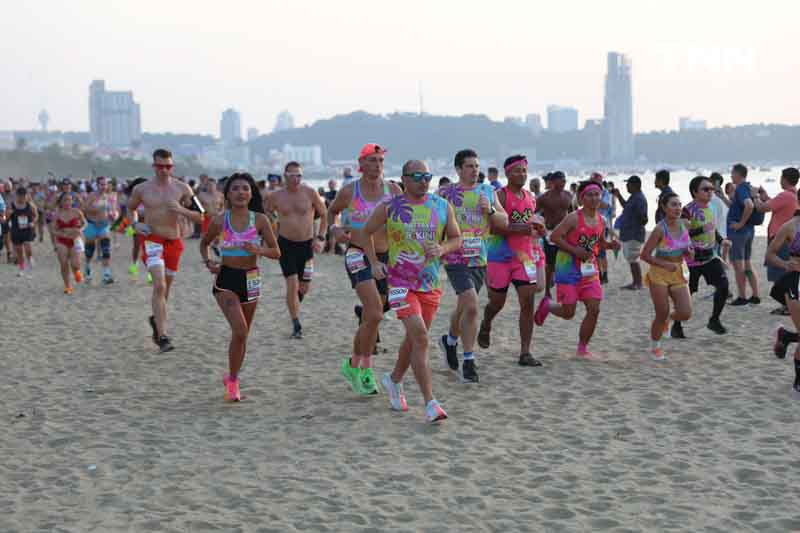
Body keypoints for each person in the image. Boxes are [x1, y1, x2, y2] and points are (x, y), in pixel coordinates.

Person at [361, 160, 461, 423]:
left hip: (430, 284)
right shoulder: (390, 208)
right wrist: (373, 263)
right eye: (417, 176)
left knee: (416, 340)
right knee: (421, 338)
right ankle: (431, 403)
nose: (423, 180)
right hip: (399, 284)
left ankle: (394, 380)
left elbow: (456, 238)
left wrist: (442, 250)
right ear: (404, 179)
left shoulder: (441, 206)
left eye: (427, 176)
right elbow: (365, 233)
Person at [327, 143, 402, 395]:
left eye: (380, 160)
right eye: (372, 160)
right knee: (375, 314)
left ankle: (352, 364)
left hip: (386, 256)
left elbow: (405, 219)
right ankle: (366, 371)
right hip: (358, 254)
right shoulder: (350, 191)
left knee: (372, 317)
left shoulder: (393, 190)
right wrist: (334, 229)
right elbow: (332, 212)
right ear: (361, 163)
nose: (377, 165)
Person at [200, 173, 280, 402]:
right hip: (226, 279)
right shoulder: (220, 220)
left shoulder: (260, 220)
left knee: (242, 336)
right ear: (227, 194)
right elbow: (204, 243)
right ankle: (233, 384)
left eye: (245, 188)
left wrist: (259, 251)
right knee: (240, 331)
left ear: (251, 193)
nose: (240, 192)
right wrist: (208, 262)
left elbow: (276, 252)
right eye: (235, 188)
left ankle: (232, 376)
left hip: (251, 278)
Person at [438, 149, 508, 382]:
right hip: (455, 257)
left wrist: (490, 210)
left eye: (477, 166)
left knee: (465, 307)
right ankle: (469, 361)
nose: (474, 170)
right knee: (472, 306)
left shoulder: (488, 191)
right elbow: (433, 220)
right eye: (469, 166)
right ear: (458, 169)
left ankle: (449, 341)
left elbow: (504, 221)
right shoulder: (446, 193)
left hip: (479, 258)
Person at [128, 149, 204, 352]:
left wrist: (181, 210)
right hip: (153, 240)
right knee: (159, 286)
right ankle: (163, 337)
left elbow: (201, 216)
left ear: (172, 167)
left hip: (174, 241)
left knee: (165, 290)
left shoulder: (183, 188)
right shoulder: (142, 189)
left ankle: (156, 321)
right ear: (153, 166)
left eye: (168, 166)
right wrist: (135, 225)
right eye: (160, 166)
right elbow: (130, 208)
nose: (164, 170)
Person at [534, 180, 620, 358]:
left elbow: (599, 243)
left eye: (597, 194)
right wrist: (575, 251)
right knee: (568, 312)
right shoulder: (573, 218)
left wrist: (611, 245)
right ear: (582, 198)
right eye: (590, 194)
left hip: (589, 269)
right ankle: (548, 306)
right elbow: (555, 237)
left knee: (594, 308)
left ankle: (582, 347)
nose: (594, 198)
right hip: (568, 268)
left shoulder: (602, 220)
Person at [479, 155, 546, 366]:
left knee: (528, 302)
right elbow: (494, 226)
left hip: (524, 256)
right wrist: (520, 228)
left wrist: (538, 229)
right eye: (517, 171)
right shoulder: (500, 195)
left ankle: (525, 352)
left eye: (524, 170)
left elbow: (529, 224)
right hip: (500, 256)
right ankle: (486, 322)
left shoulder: (530, 197)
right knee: (496, 303)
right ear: (507, 173)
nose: (522, 174)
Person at [264, 161, 327, 339]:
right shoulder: (276, 196)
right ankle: (296, 324)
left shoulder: (310, 192)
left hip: (306, 245)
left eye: (299, 175)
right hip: (286, 245)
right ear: (285, 176)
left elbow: (324, 214)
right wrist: (271, 233)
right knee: (292, 285)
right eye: (293, 175)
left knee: (304, 287)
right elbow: (266, 214)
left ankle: (293, 306)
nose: (296, 179)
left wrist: (321, 238)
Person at [670, 176, 729, 337]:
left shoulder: (710, 208)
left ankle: (714, 320)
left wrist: (722, 241)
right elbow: (682, 233)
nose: (710, 192)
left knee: (723, 286)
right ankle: (677, 325)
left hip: (710, 257)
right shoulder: (688, 210)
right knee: (687, 293)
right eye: (706, 189)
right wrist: (702, 230)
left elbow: (712, 229)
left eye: (711, 189)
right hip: (692, 260)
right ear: (695, 192)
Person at [640, 193, 692, 360]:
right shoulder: (659, 230)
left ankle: (669, 320)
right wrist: (664, 264)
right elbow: (645, 255)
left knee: (685, 313)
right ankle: (655, 347)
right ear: (664, 207)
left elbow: (685, 246)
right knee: (661, 312)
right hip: (659, 272)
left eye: (679, 204)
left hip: (678, 271)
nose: (678, 208)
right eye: (673, 205)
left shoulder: (685, 224)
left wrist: (689, 251)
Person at [755, 167, 800, 314]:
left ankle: (787, 304)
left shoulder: (785, 195)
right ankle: (788, 304)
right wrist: (766, 196)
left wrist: (755, 196)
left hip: (780, 237)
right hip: (790, 239)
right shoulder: (793, 195)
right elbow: (774, 205)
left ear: (784, 179)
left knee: (780, 272)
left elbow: (762, 208)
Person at [766, 202, 800, 392]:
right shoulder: (790, 226)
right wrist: (785, 264)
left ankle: (785, 336)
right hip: (795, 281)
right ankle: (798, 382)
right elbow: (770, 254)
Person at [726, 164, 760, 305]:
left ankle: (742, 296)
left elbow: (749, 205)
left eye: (732, 173)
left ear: (738, 174)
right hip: (749, 231)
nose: (731, 176)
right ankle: (755, 295)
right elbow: (741, 206)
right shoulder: (747, 187)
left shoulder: (740, 188)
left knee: (738, 265)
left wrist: (740, 223)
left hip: (739, 232)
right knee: (747, 264)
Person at [537, 171, 573, 298]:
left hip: (565, 234)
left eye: (564, 180)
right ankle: (547, 290)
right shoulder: (544, 197)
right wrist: (539, 226)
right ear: (553, 182)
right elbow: (532, 213)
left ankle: (563, 289)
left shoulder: (568, 195)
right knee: (550, 264)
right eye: (561, 180)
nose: (564, 182)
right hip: (550, 234)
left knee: (565, 262)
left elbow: (573, 214)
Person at [612, 176, 648, 290]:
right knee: (631, 258)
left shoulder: (639, 199)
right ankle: (636, 282)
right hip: (629, 233)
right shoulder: (634, 197)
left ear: (635, 185)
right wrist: (618, 196)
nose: (627, 186)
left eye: (628, 184)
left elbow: (643, 218)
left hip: (634, 233)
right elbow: (626, 207)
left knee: (633, 258)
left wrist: (637, 222)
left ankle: (638, 283)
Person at [82, 176, 118, 284]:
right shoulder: (92, 196)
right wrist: (95, 209)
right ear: (97, 185)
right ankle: (87, 270)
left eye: (105, 184)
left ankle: (106, 275)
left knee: (106, 249)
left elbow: (114, 210)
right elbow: (84, 208)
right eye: (101, 184)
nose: (104, 186)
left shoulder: (108, 197)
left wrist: (114, 215)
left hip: (104, 225)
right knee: (89, 251)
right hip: (91, 225)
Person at [53, 192, 86, 293]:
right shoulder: (57, 214)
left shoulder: (77, 212)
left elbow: (85, 224)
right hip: (62, 240)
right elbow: (53, 229)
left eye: (69, 200)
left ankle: (77, 272)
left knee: (75, 265)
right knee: (63, 263)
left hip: (75, 240)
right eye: (65, 200)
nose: (67, 202)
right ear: (61, 202)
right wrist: (61, 234)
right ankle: (67, 286)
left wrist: (81, 230)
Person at [9, 186, 38, 276]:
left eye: (23, 196)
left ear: (26, 196)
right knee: (19, 251)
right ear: (17, 196)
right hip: (16, 230)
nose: (21, 198)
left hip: (27, 229)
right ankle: (21, 269)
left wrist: (33, 222)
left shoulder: (30, 205)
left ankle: (30, 258)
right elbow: (7, 216)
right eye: (20, 196)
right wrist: (7, 214)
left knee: (27, 246)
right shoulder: (12, 205)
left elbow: (36, 215)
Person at [709, 172, 731, 264]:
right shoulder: (722, 198)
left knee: (715, 256)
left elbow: (713, 216)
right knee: (717, 255)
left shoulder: (713, 198)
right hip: (722, 232)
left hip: (716, 232)